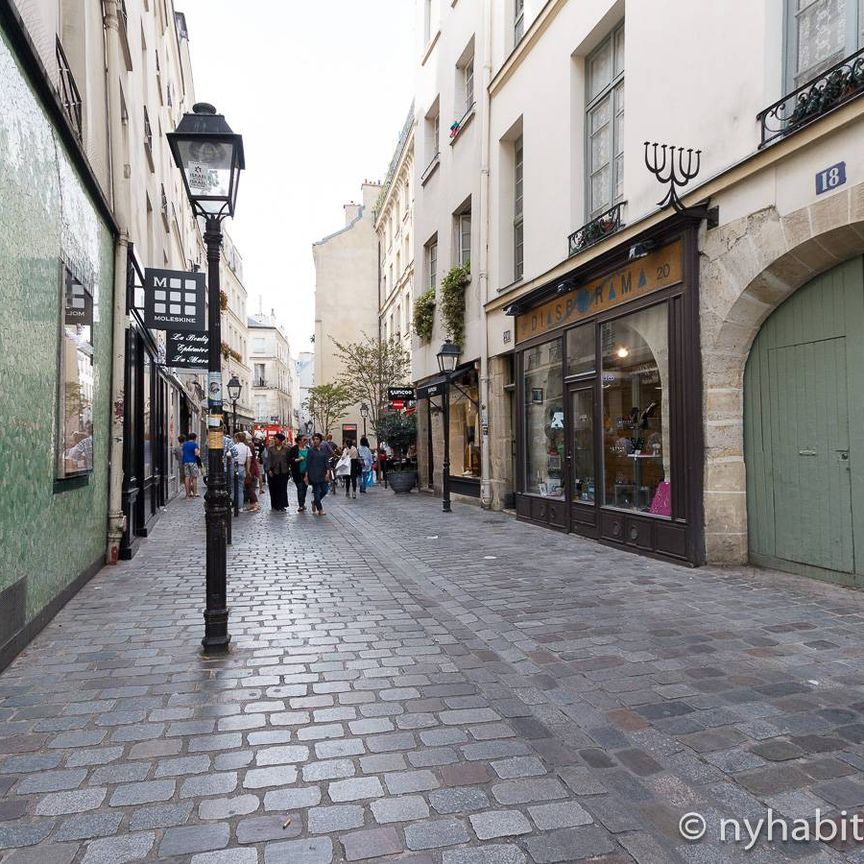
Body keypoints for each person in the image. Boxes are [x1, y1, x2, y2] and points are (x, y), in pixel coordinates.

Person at [305, 433, 331, 515]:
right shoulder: (311, 450)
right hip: (314, 473)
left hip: (323, 473)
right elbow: (308, 463)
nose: (315, 441)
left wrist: (328, 473)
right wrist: (306, 476)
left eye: (317, 439)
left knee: (325, 490)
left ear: (320, 440)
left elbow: (326, 462)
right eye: (314, 439)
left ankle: (315, 502)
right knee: (316, 491)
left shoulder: (323, 449)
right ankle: (320, 509)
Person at [267, 433, 291, 511]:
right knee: (274, 488)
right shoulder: (271, 449)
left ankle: (282, 505)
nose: (274, 440)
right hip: (274, 471)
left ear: (280, 440)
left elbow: (289, 459)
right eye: (274, 439)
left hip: (284, 471)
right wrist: (269, 470)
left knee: (283, 488)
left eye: (276, 439)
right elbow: (269, 460)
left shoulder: (286, 449)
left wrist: (289, 468)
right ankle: (275, 504)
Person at [288, 434, 309, 512]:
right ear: (299, 441)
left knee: (305, 488)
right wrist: (298, 459)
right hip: (297, 472)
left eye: (306, 440)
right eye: (304, 440)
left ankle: (302, 503)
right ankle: (301, 505)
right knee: (300, 488)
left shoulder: (308, 449)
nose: (306, 441)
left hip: (306, 472)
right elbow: (290, 460)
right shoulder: (294, 449)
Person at [233, 432, 251, 508]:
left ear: (237, 438)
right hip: (242, 468)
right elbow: (249, 460)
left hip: (234, 467)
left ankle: (234, 506)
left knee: (233, 487)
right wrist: (248, 471)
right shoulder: (247, 448)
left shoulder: (234, 447)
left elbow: (230, 457)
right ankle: (240, 507)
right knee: (240, 488)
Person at [244, 434, 261, 512]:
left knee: (249, 485)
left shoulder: (249, 446)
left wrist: (248, 470)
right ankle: (252, 504)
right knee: (249, 485)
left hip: (250, 468)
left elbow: (250, 459)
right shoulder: (250, 445)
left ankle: (255, 503)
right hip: (251, 467)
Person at [181, 433, 200, 497]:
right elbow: (196, 453)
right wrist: (198, 452)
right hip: (193, 462)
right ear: (194, 438)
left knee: (187, 477)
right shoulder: (194, 444)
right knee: (194, 477)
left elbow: (183, 452)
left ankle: (187, 494)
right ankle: (194, 494)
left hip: (186, 462)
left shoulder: (184, 444)